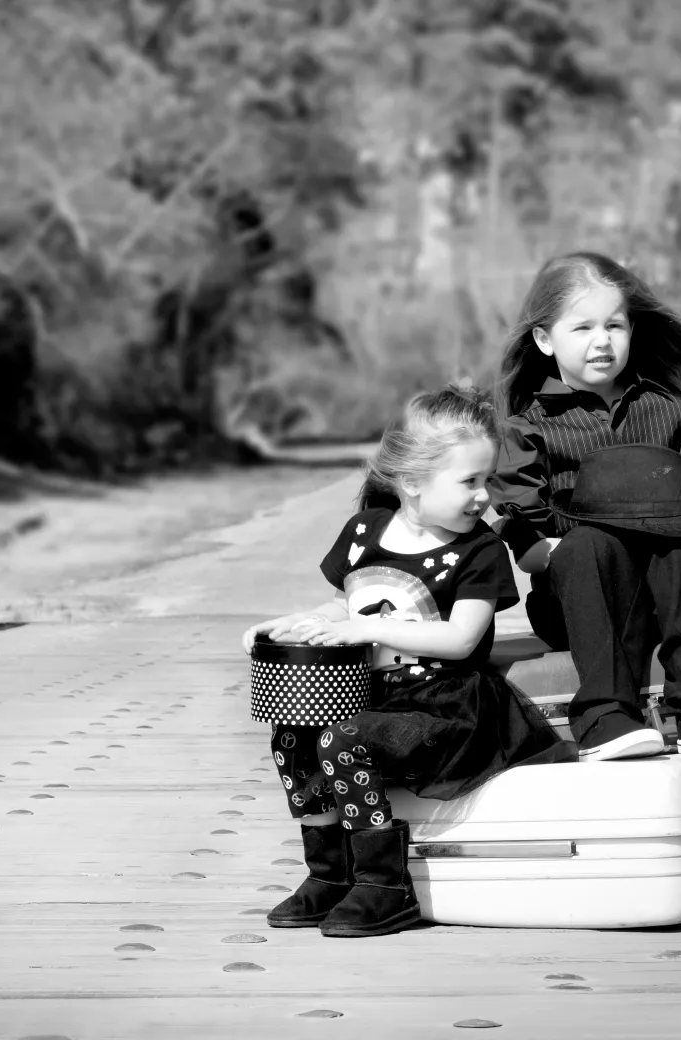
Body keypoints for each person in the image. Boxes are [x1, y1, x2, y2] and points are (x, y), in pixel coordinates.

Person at [242, 385, 570, 938]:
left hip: (445, 707)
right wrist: (294, 623)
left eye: (487, 480)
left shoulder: (479, 550)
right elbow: (345, 605)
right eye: (469, 481)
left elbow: (461, 639)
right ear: (413, 482)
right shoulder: (365, 532)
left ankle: (385, 885)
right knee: (293, 734)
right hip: (370, 696)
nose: (483, 497)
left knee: (341, 741)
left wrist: (367, 628)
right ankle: (330, 874)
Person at [489, 251, 681, 762]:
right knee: (590, 543)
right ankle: (604, 715)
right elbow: (525, 538)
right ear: (544, 340)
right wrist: (564, 548)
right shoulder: (528, 428)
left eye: (614, 325)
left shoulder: (665, 409)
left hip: (664, 601)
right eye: (582, 327)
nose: (602, 340)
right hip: (579, 603)